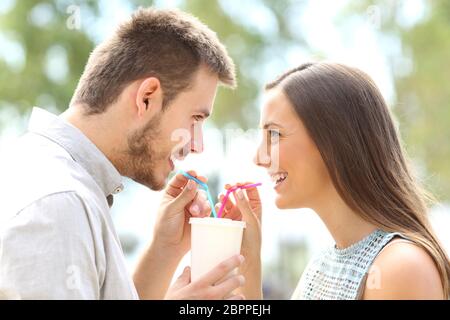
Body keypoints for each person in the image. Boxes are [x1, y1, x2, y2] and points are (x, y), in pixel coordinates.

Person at [0, 7, 246, 300]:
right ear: (146, 98)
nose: (196, 144)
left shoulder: (52, 179)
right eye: (195, 119)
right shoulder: (58, 205)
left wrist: (163, 251)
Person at [221, 62, 450, 300]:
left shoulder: (401, 267)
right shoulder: (321, 266)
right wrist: (248, 260)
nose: (259, 157)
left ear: (333, 141)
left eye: (275, 134)